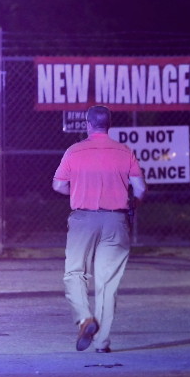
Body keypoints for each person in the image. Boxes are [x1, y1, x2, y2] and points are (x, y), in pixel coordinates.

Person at [52, 105, 146, 353]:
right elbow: (140, 189)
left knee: (74, 272)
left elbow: (58, 185)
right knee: (108, 283)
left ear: (88, 124)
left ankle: (85, 319)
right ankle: (102, 341)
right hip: (116, 220)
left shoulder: (74, 151)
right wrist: (133, 204)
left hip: (83, 219)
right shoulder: (125, 151)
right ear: (109, 125)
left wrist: (80, 190)